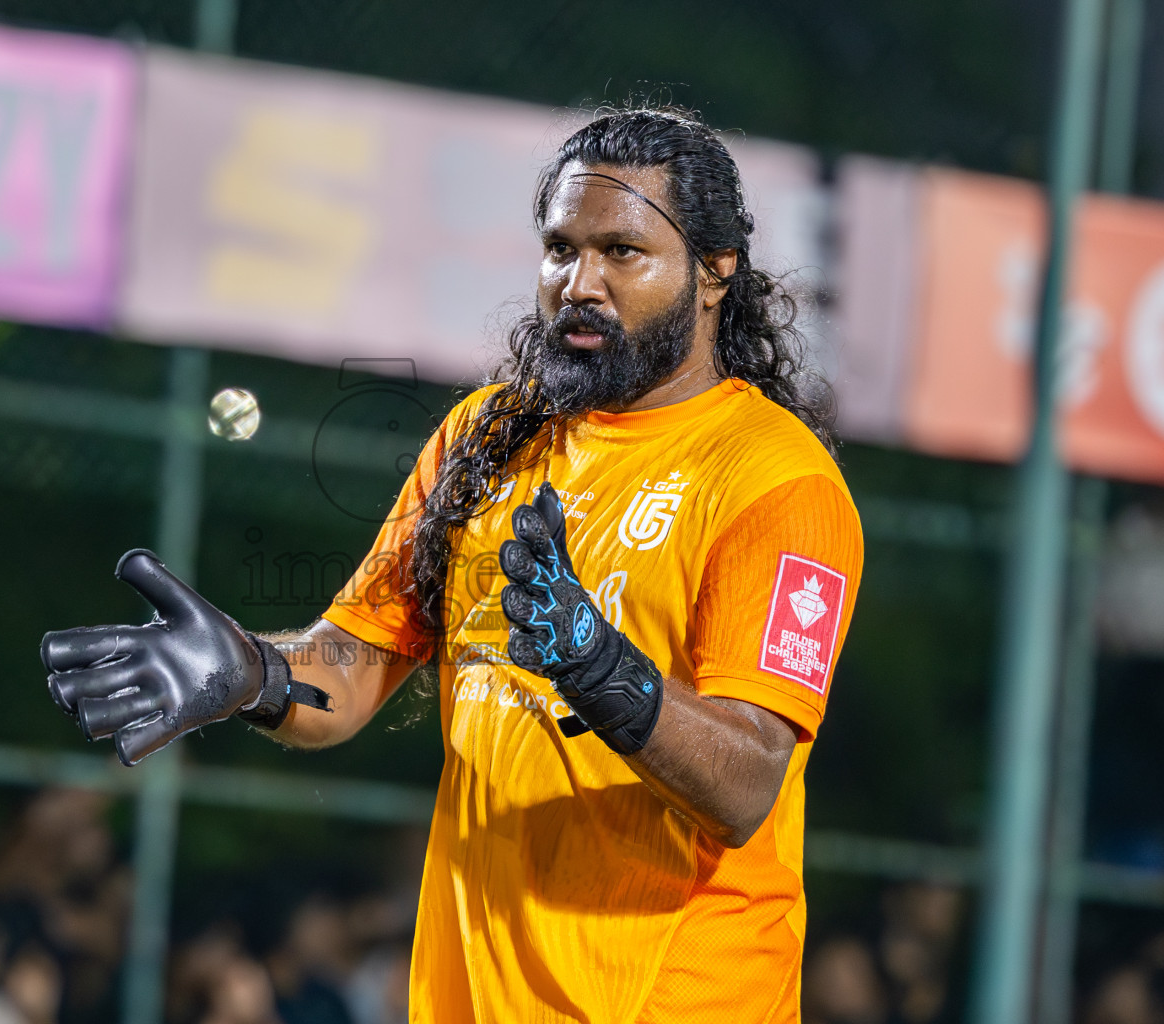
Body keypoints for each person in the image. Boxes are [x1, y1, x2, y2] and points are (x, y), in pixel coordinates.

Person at [42, 107, 863, 1021]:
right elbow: (348, 677)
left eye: (622, 252)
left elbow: (748, 784)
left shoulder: (776, 479)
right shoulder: (488, 438)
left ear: (714, 274)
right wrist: (251, 674)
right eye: (559, 249)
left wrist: (604, 671)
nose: (579, 282)